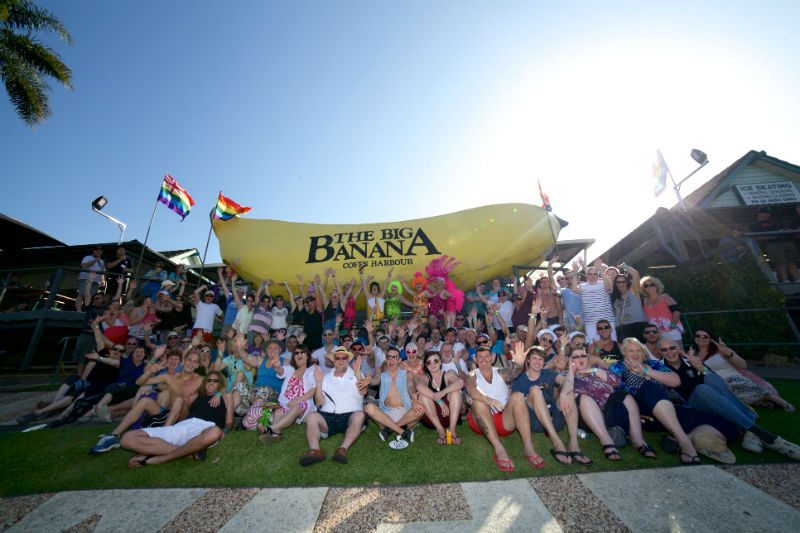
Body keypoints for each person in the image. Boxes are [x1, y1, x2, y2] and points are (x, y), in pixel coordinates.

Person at [657, 337, 800, 461]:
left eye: (672, 347)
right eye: (664, 350)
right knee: (702, 389)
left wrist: (701, 367)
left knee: (710, 378)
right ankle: (766, 436)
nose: (669, 352)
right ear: (659, 352)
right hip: (693, 402)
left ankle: (750, 430)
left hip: (715, 397)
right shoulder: (661, 368)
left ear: (678, 347)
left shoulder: (690, 361)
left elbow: (715, 379)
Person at [89, 350, 204, 454]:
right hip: (166, 414)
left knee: (179, 400)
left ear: (198, 365)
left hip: (182, 417)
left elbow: (220, 383)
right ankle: (113, 435)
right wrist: (150, 372)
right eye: (189, 360)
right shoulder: (169, 377)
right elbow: (140, 382)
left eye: (195, 362)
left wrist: (218, 395)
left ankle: (163, 437)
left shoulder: (199, 380)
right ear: (184, 361)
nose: (191, 363)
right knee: (145, 400)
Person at [607, 338, 702, 464]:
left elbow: (675, 381)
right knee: (650, 386)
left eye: (638, 350)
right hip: (644, 413)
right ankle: (685, 442)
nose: (635, 354)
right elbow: (614, 388)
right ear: (624, 353)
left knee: (724, 426)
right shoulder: (617, 367)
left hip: (670, 408)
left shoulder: (654, 364)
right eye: (631, 351)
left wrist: (646, 371)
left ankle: (675, 438)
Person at [559, 347, 656, 461]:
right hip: (587, 417)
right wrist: (571, 371)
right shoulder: (569, 376)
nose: (580, 358)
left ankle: (638, 441)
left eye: (583, 355)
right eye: (575, 356)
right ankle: (607, 442)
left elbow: (617, 382)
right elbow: (567, 385)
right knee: (585, 398)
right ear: (571, 361)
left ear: (588, 358)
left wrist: (594, 371)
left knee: (625, 396)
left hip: (610, 413)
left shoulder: (599, 370)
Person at [120, 371, 232, 467]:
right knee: (127, 439)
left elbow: (229, 422)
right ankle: (189, 453)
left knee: (215, 432)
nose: (211, 383)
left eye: (215, 381)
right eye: (208, 380)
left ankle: (159, 458)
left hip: (206, 428)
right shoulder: (195, 396)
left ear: (220, 383)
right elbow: (180, 401)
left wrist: (225, 431)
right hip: (184, 425)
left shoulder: (226, 397)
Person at [465, 344, 543, 472]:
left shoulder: (500, 372)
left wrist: (519, 364)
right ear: (475, 360)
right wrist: (488, 399)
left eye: (486, 356)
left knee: (517, 396)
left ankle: (529, 448)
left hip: (503, 421)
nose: (484, 359)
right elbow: (471, 389)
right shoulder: (471, 375)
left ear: (491, 358)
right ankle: (499, 449)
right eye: (480, 357)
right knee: (478, 403)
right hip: (481, 422)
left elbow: (514, 373)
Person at [692, 328, 795, 411]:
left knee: (740, 387)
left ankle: (775, 400)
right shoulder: (693, 355)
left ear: (710, 339)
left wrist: (728, 353)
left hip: (732, 377)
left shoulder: (721, 350)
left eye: (705, 336)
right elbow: (703, 372)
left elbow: (743, 365)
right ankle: (761, 401)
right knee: (724, 396)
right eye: (698, 336)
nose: (701, 338)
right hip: (716, 381)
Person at [298, 347, 368, 466]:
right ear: (333, 360)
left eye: (344, 357)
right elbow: (319, 402)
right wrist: (319, 384)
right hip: (328, 417)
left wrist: (357, 374)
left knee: (360, 415)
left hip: (351, 416)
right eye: (337, 357)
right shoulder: (325, 377)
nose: (341, 360)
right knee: (311, 417)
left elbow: (363, 392)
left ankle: (342, 449)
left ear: (347, 360)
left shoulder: (356, 373)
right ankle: (315, 451)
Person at [364, 346, 426, 446]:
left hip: (406, 413)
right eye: (389, 357)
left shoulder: (407, 373)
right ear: (386, 359)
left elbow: (410, 386)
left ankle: (388, 430)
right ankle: (403, 431)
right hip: (387, 414)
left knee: (422, 408)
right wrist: (369, 380)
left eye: (395, 357)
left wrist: (413, 396)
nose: (392, 360)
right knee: (368, 408)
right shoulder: (382, 374)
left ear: (400, 360)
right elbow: (375, 381)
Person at [259, 343, 317, 443]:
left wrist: (297, 400)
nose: (299, 355)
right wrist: (277, 367)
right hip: (286, 403)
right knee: (276, 410)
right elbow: (281, 372)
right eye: (296, 353)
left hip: (303, 403)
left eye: (302, 352)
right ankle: (275, 434)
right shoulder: (290, 369)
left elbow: (313, 389)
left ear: (307, 355)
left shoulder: (313, 369)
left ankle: (270, 428)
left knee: (297, 406)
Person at [416, 351, 464, 444]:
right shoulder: (424, 377)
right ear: (426, 365)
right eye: (429, 362)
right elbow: (419, 387)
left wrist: (443, 393)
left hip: (450, 416)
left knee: (455, 391)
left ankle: (452, 429)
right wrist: (440, 402)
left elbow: (461, 382)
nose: (432, 364)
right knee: (422, 396)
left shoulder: (447, 374)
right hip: (432, 418)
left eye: (435, 361)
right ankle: (440, 430)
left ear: (440, 362)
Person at [749, 206, 800, 282]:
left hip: (786, 242)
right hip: (772, 244)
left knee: (792, 262)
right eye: (764, 212)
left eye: (768, 213)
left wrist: (789, 230)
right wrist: (772, 237)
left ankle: (798, 280)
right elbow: (756, 237)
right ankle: (785, 281)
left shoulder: (776, 221)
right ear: (759, 214)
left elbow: (784, 229)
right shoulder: (754, 225)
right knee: (780, 263)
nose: (767, 214)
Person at [569, 258, 615, 341]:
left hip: (607, 320)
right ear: (586, 276)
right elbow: (574, 289)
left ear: (598, 275)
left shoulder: (603, 283)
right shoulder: (582, 286)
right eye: (589, 274)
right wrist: (575, 272)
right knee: (594, 345)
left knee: (612, 343)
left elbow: (608, 287)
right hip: (591, 322)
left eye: (595, 274)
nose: (592, 276)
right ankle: (597, 353)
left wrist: (600, 269)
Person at [611, 265, 649, 342]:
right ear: (615, 284)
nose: (621, 283)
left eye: (623, 281)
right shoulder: (614, 297)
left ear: (627, 282)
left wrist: (624, 265)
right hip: (621, 327)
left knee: (641, 350)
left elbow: (635, 274)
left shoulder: (633, 291)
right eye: (618, 282)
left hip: (638, 324)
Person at [641, 275, 684, 342]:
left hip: (671, 330)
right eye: (646, 286)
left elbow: (676, 311)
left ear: (657, 286)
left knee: (677, 350)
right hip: (655, 333)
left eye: (652, 284)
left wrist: (672, 326)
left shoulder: (664, 296)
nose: (649, 287)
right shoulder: (643, 301)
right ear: (644, 288)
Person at [76, 246, 105, 311]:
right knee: (81, 294)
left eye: (100, 251)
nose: (98, 252)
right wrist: (95, 260)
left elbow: (102, 271)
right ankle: (78, 310)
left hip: (96, 281)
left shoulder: (102, 261)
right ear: (93, 251)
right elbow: (84, 265)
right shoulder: (87, 257)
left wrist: (103, 280)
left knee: (92, 296)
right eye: (97, 250)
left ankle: (87, 310)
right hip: (85, 279)